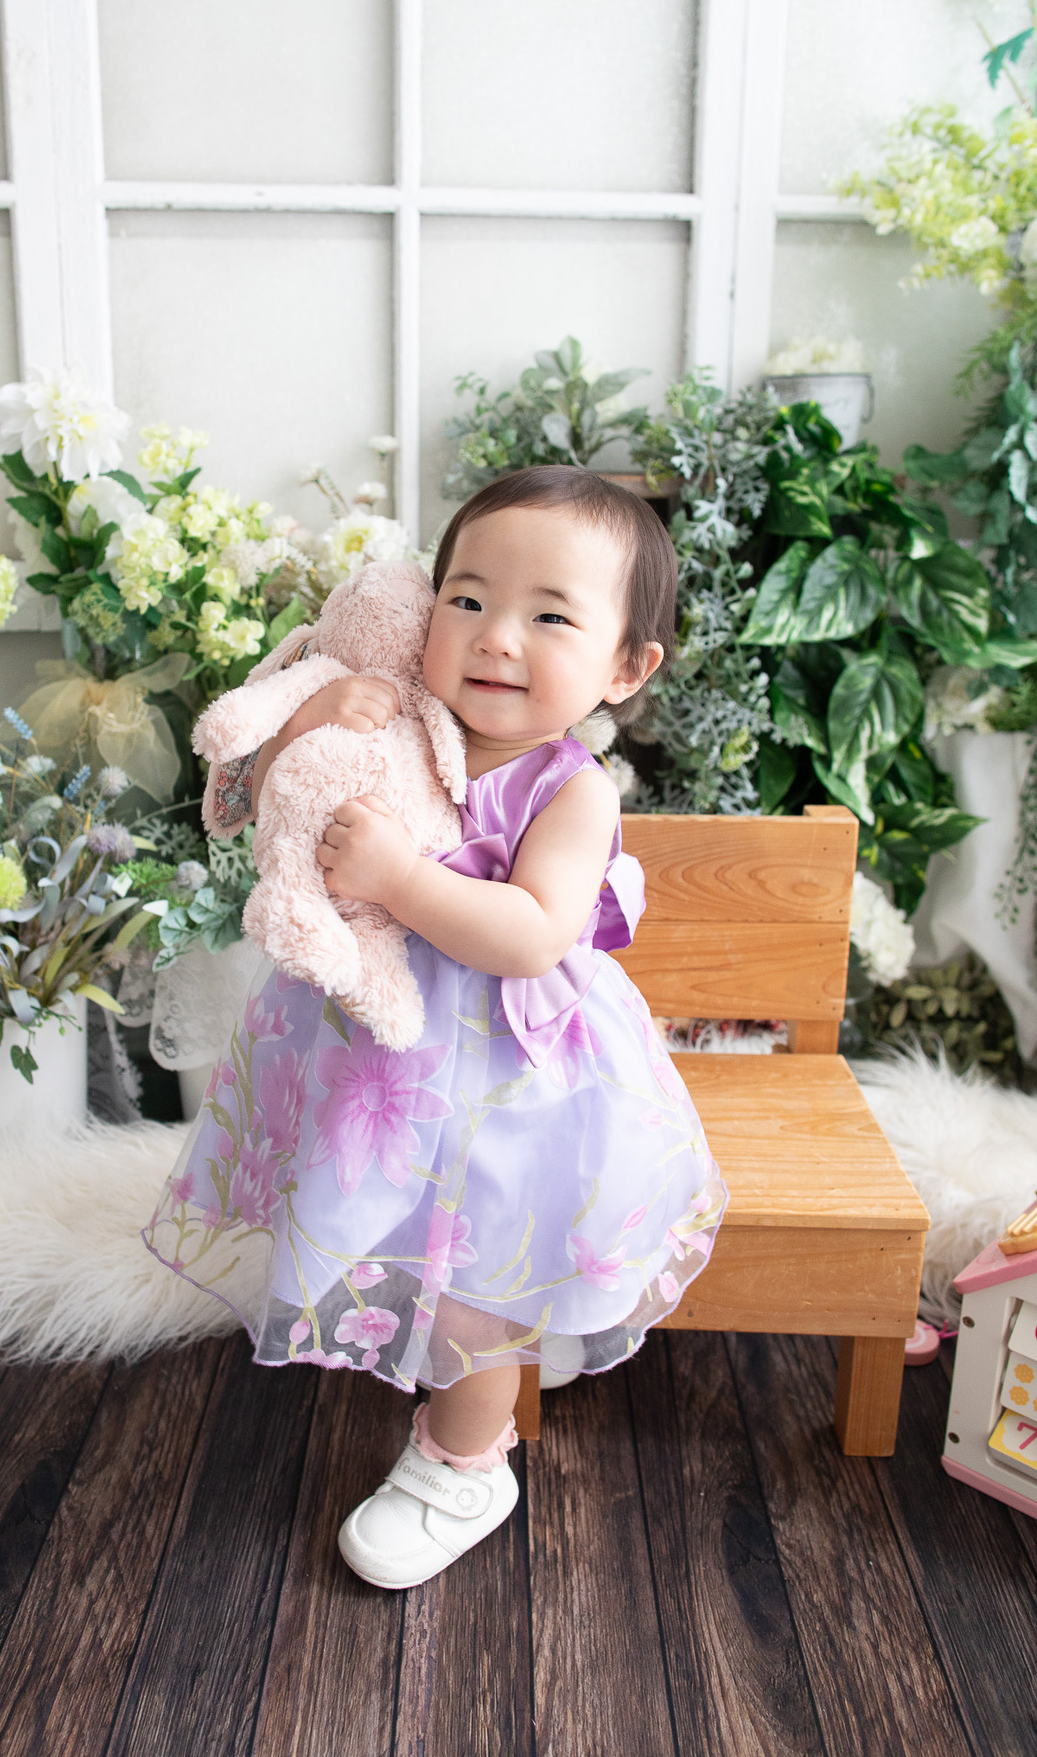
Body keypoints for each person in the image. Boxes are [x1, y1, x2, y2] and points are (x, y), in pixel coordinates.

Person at [144, 466, 727, 1590]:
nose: (496, 636)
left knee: (477, 1279)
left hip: (511, 1082)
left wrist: (400, 878)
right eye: (467, 598)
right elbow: (253, 804)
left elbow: (532, 933)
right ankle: (408, 1351)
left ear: (626, 666)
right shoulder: (397, 719)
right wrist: (308, 720)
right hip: (374, 1068)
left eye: (549, 616)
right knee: (378, 1225)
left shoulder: (571, 789)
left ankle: (464, 1462)